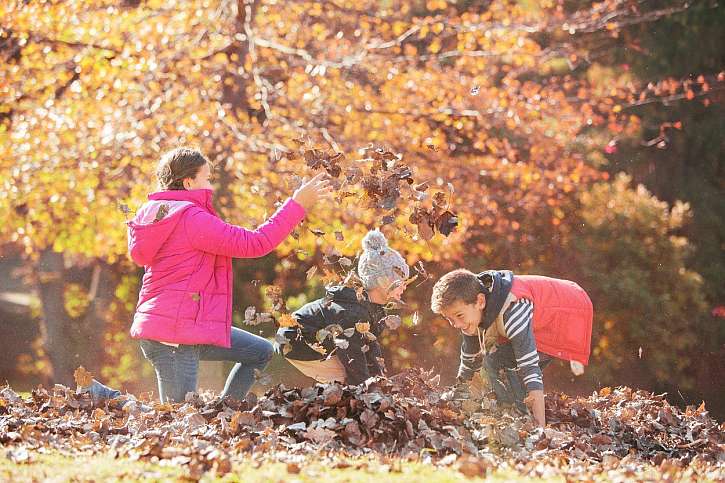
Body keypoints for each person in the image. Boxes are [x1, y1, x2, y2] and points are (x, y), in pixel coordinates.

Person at [127, 147, 331, 402]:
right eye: (207, 179)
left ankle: (225, 410)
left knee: (259, 352)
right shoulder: (190, 218)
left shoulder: (158, 214)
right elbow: (256, 243)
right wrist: (297, 205)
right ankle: (99, 394)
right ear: (188, 182)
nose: (210, 187)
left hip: (184, 325)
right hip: (174, 334)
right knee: (178, 418)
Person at [430, 269, 593, 426]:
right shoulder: (470, 313)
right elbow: (468, 364)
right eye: (450, 319)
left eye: (459, 316)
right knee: (491, 364)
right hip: (538, 316)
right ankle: (506, 411)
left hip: (563, 315)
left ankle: (519, 418)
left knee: (499, 364)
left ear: (480, 302)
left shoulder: (512, 311)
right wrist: (456, 402)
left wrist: (539, 429)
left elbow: (530, 369)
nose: (457, 324)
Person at [277, 230, 410, 385]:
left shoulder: (372, 308)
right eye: (399, 283)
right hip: (295, 339)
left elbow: (369, 347)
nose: (404, 287)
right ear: (382, 282)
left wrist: (380, 378)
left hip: (311, 337)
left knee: (361, 376)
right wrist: (369, 388)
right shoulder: (353, 312)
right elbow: (352, 356)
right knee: (347, 376)